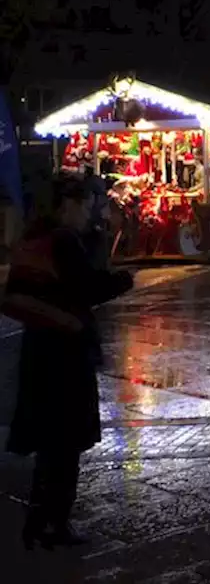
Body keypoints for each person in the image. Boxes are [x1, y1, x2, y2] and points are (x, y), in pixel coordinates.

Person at [2, 174, 134, 550]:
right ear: (68, 205)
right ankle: (54, 524)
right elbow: (88, 287)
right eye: (85, 205)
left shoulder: (34, 237)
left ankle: (38, 520)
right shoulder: (63, 241)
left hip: (38, 348)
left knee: (49, 444)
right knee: (65, 443)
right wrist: (124, 279)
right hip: (64, 353)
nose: (89, 211)